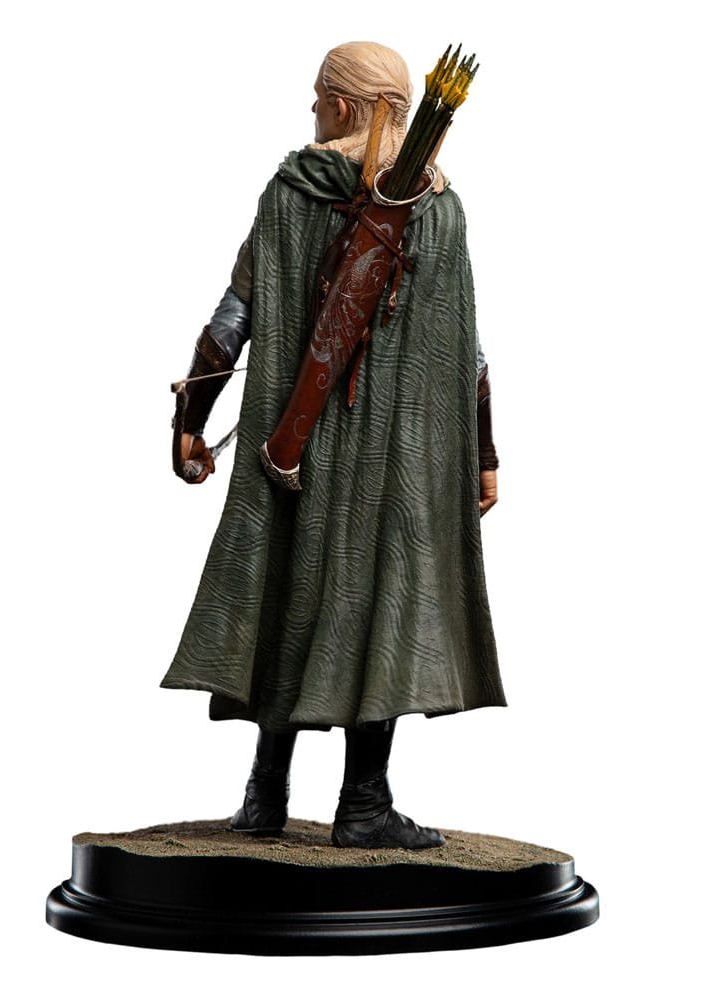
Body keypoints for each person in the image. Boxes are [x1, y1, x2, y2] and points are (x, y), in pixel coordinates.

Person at [162, 41, 504, 849]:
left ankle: (269, 798)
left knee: (288, 596)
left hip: (300, 458)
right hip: (395, 465)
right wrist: (484, 453)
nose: (312, 109)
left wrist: (189, 418)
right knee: (380, 607)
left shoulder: (293, 193)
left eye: (319, 96)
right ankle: (360, 804)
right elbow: (470, 353)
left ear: (344, 107)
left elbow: (232, 317)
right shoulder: (440, 209)